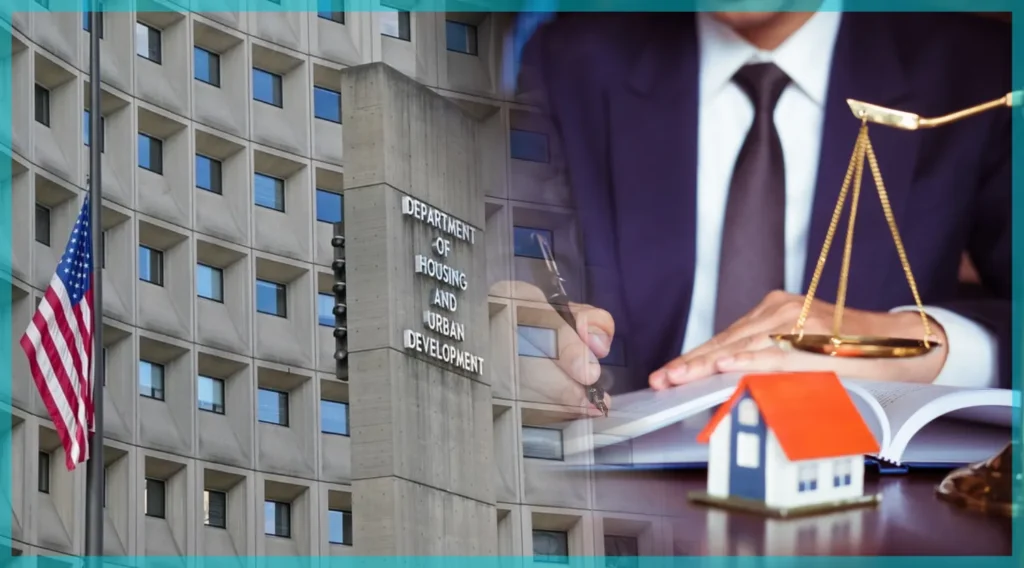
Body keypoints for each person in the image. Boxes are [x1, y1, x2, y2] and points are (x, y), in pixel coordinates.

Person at [513, 9, 1012, 413]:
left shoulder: (979, 75)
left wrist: (924, 343)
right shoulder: (570, 63)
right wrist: (518, 329)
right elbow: (511, 265)